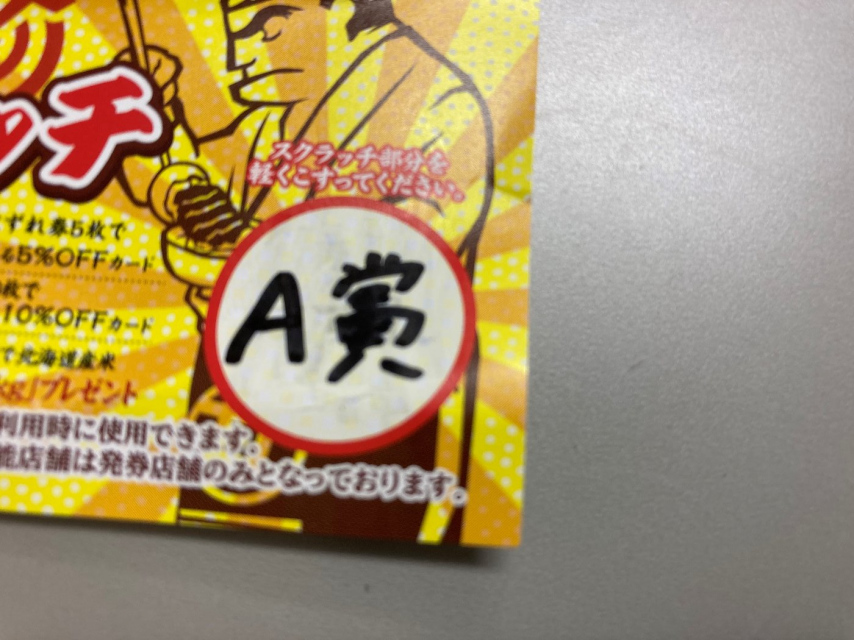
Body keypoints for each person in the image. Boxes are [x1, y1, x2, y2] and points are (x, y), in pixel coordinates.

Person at [121, 0, 495, 542]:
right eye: (234, 33)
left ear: (344, 12)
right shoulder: (282, 115)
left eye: (265, 26)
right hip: (253, 403)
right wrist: (152, 117)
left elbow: (400, 260)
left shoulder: (439, 102)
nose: (238, 56)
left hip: (370, 423)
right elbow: (204, 170)